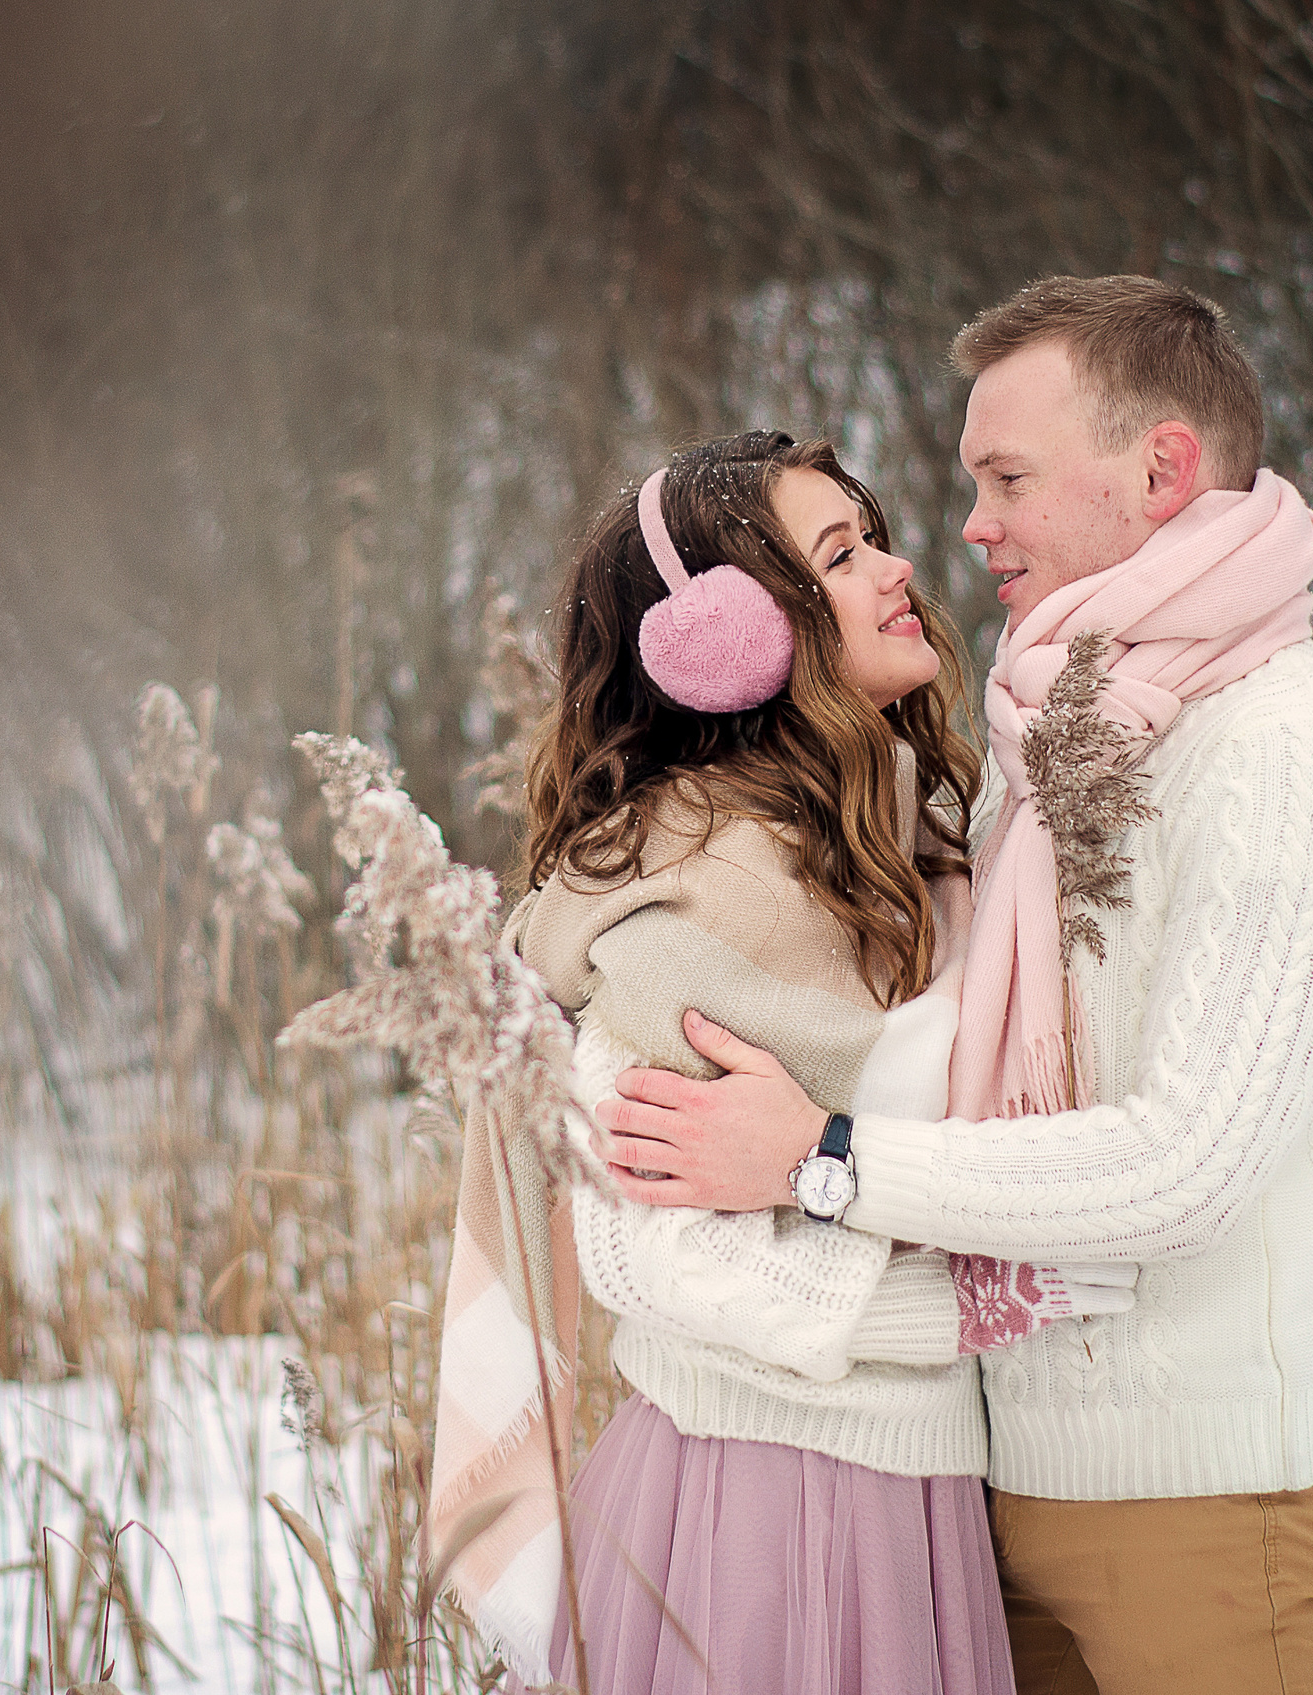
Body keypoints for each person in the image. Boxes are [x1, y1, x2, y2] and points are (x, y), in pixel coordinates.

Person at [596, 277, 1313, 1695]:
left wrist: (823, 1161)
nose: (969, 525)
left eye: (1008, 478)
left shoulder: (1289, 746)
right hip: (998, 1494)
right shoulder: (1046, 746)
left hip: (1212, 1489)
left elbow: (1192, 1163)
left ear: (1160, 469)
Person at [426, 430, 1129, 1695]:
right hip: (756, 1505)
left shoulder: (924, 847)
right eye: (841, 554)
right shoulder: (697, 886)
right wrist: (977, 1306)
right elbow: (646, 1243)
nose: (899, 566)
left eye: (872, 536)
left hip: (921, 1504)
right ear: (732, 634)